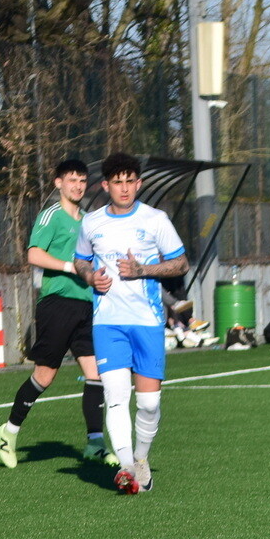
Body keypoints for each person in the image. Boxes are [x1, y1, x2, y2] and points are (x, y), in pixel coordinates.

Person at [72, 153, 189, 494]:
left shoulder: (155, 220)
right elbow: (80, 261)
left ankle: (140, 458)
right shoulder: (92, 223)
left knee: (149, 404)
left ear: (139, 184)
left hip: (147, 322)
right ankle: (125, 468)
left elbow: (181, 263)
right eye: (117, 182)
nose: (124, 188)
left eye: (129, 182)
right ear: (105, 186)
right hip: (108, 324)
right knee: (116, 397)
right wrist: (90, 277)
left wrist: (143, 270)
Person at [0, 158, 111, 469]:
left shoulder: (89, 220)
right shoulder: (51, 215)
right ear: (58, 183)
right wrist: (69, 266)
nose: (77, 185)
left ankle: (95, 443)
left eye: (82, 180)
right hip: (57, 303)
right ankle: (9, 431)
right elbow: (34, 254)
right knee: (45, 376)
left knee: (96, 374)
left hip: (86, 305)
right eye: (71, 180)